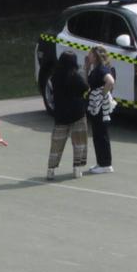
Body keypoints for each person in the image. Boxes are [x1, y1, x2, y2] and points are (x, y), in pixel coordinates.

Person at [46, 51, 89, 180]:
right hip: (77, 113)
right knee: (79, 142)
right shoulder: (75, 76)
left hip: (61, 115)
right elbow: (85, 88)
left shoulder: (54, 77)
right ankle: (77, 168)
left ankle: (51, 169)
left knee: (57, 143)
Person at [82, 47, 116, 174]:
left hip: (100, 105)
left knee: (101, 134)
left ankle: (105, 164)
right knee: (98, 133)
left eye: (90, 53)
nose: (88, 55)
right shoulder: (95, 69)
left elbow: (110, 81)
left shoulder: (102, 69)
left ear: (95, 56)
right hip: (95, 105)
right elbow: (87, 84)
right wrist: (86, 67)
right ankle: (101, 162)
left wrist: (101, 95)